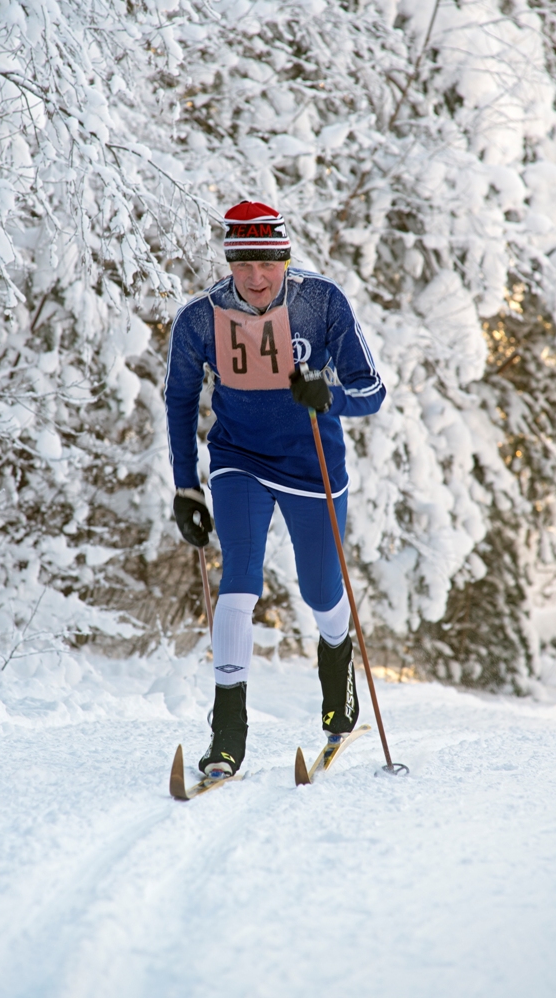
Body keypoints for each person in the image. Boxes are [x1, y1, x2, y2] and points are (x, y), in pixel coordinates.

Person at [165, 201, 385, 777]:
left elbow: (373, 390)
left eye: (267, 262)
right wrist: (186, 487)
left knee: (319, 591)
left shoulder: (321, 301)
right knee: (238, 579)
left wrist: (329, 397)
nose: (256, 277)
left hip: (312, 465)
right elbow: (180, 401)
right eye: (242, 264)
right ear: (228, 262)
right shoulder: (199, 318)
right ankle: (228, 737)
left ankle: (340, 677)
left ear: (285, 257)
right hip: (239, 458)